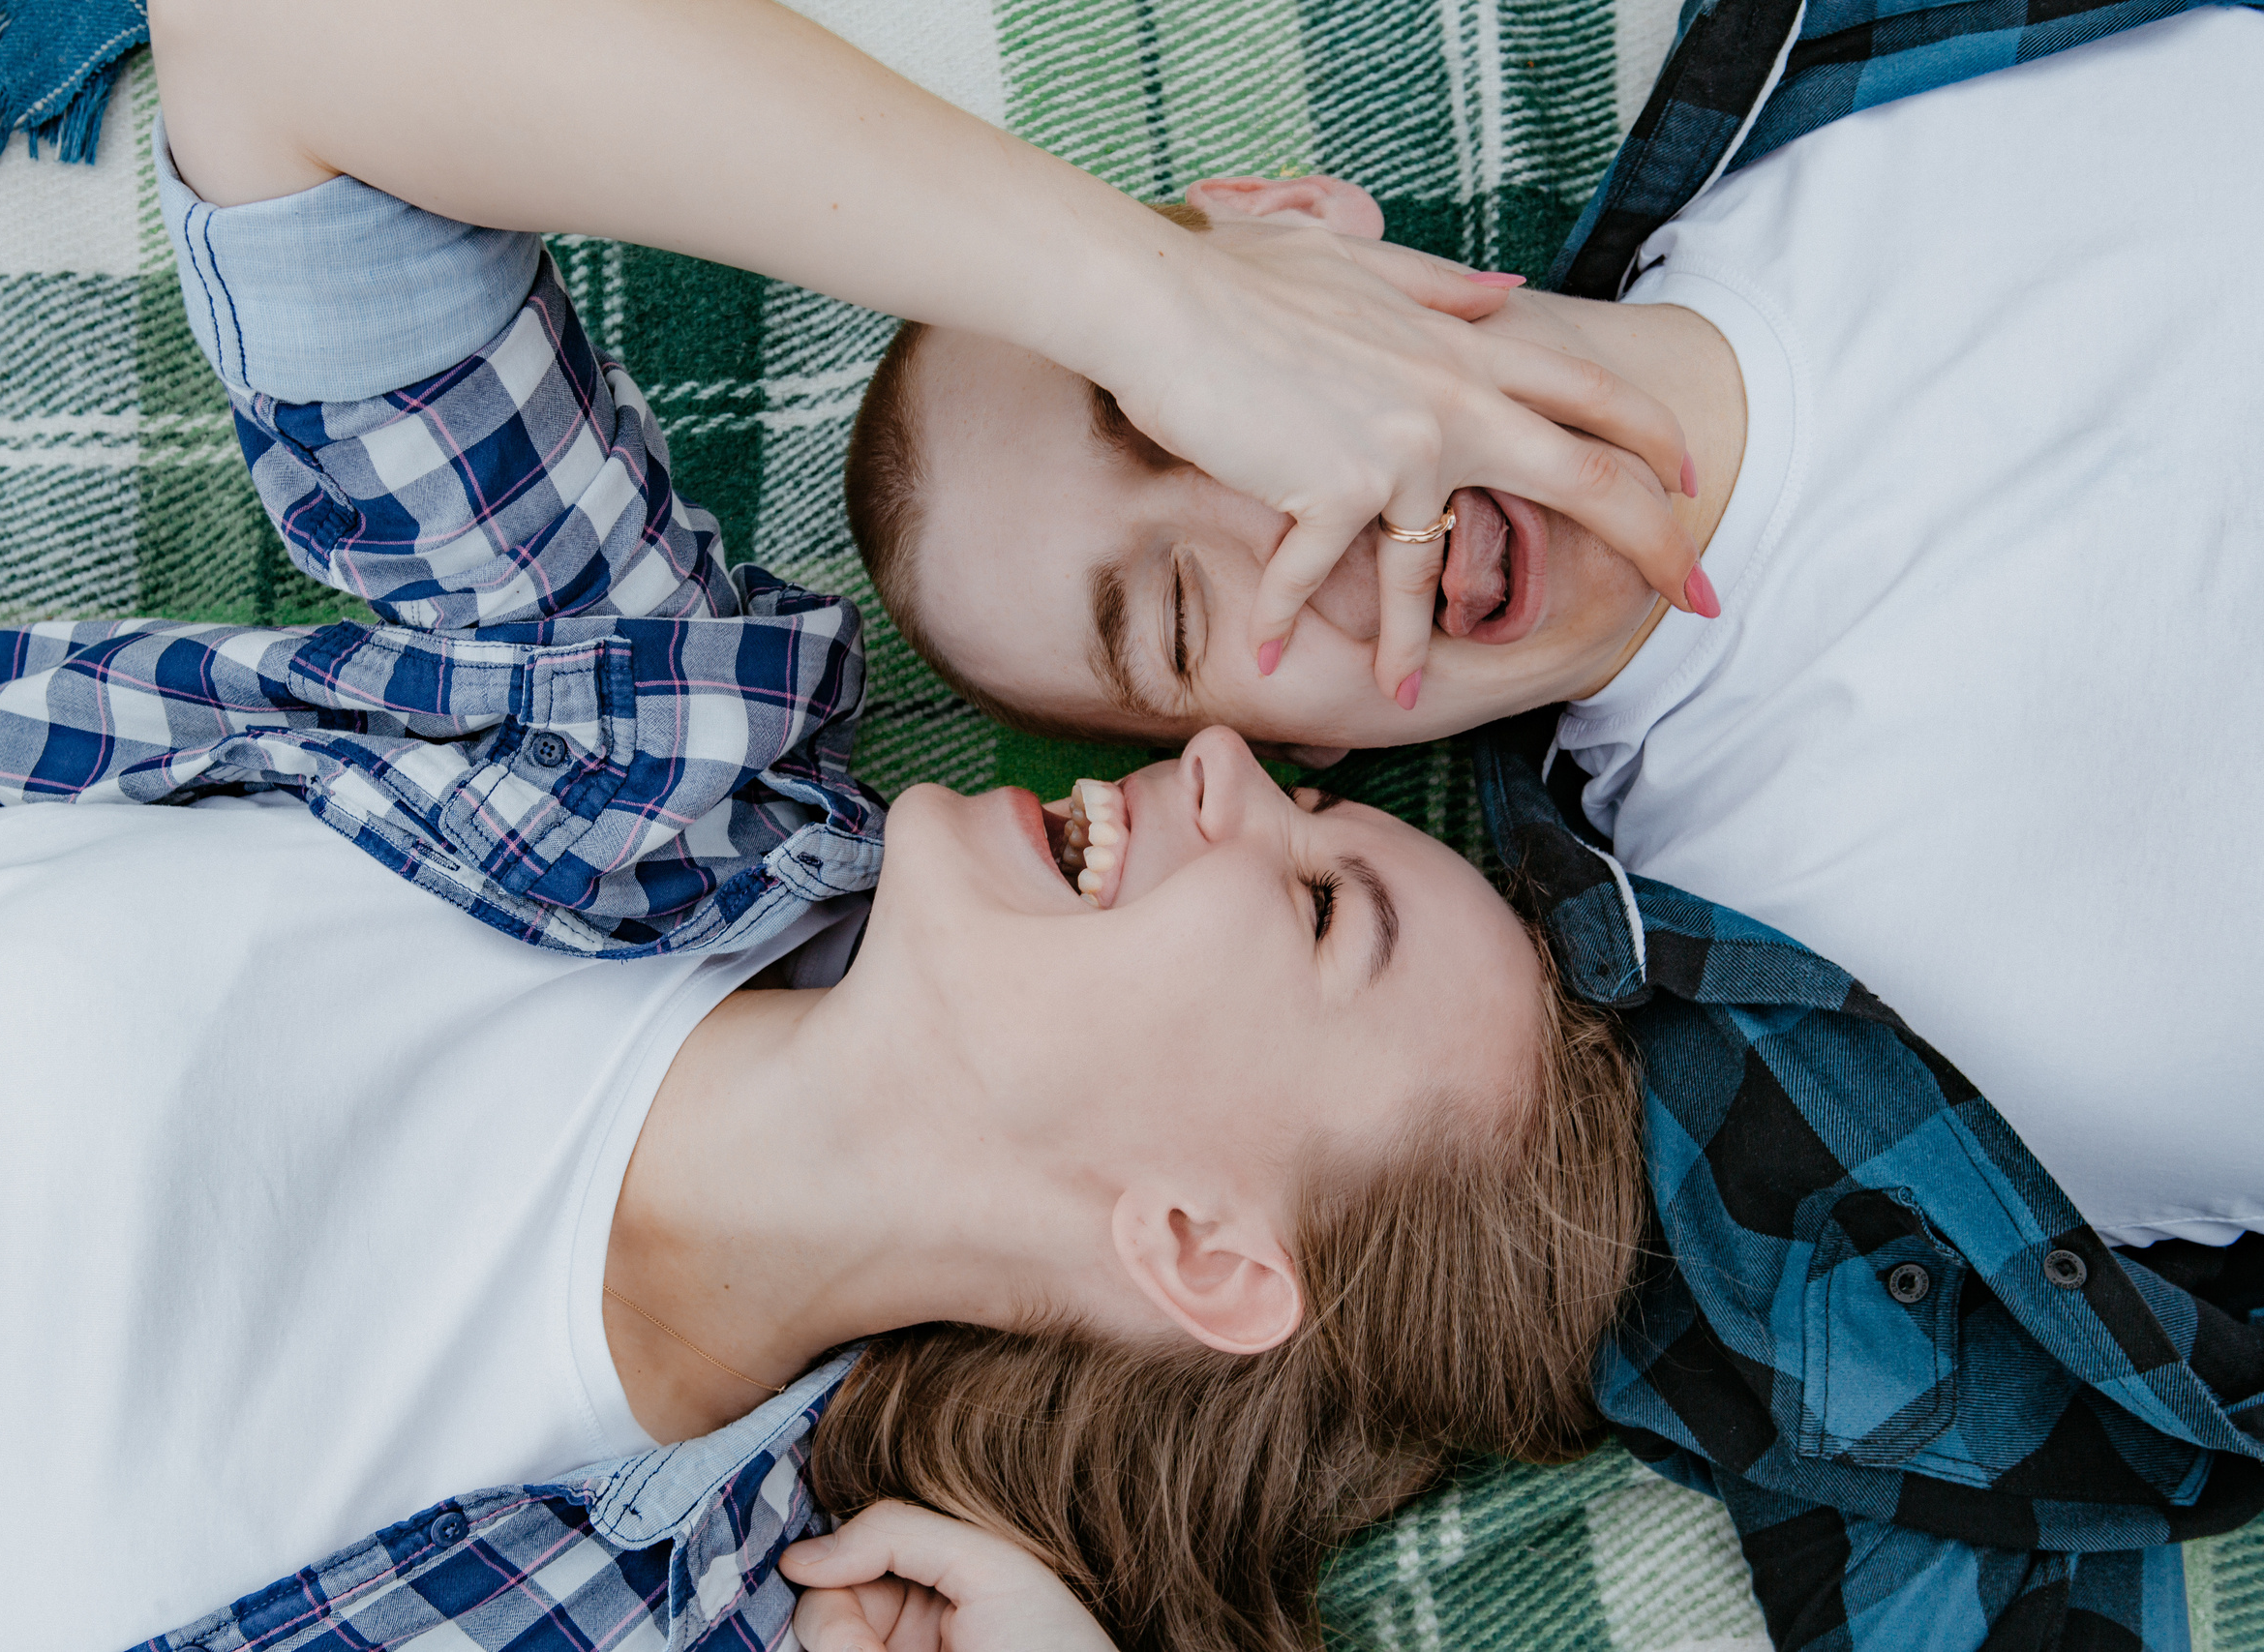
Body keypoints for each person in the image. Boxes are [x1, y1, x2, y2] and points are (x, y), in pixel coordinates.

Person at [840, 3, 2264, 1645]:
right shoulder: (1791, 1110)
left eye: (1183, 398)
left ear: (1289, 221)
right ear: (1283, 750)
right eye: (1178, 618)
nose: (1297, 512)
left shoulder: (1852, 76)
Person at [0, 720, 1641, 1652]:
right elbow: (277, 111)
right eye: (1312, 800)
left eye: (1317, 906)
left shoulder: (678, 1616)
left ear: (1201, 1253)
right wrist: (1160, 307)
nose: (1225, 755)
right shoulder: (671, 740)